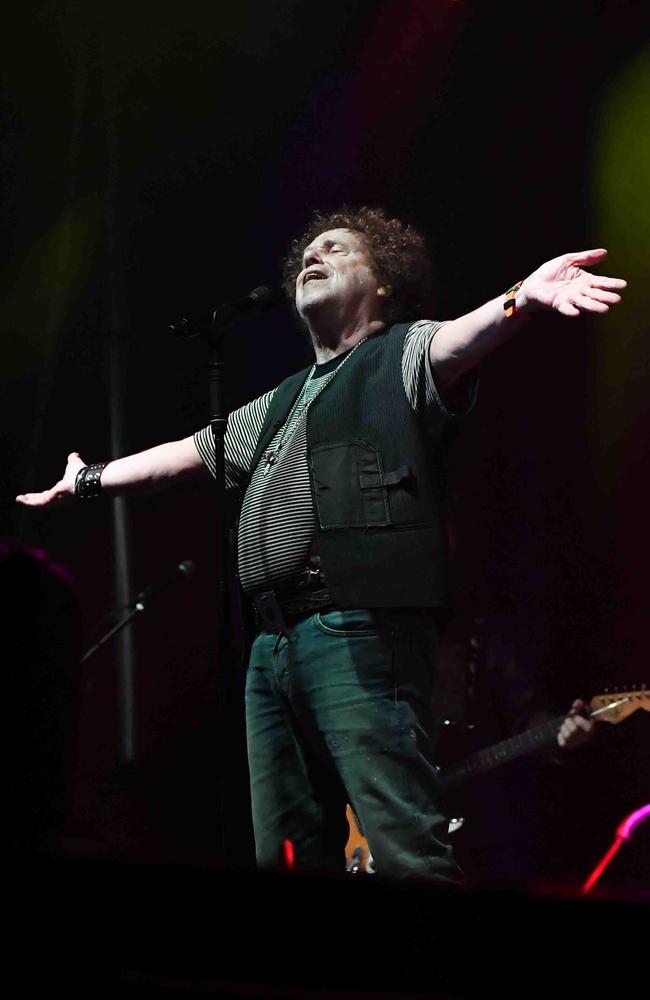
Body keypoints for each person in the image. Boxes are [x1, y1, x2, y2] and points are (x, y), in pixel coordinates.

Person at [16, 207, 622, 882]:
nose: (312, 256)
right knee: (285, 854)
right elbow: (182, 456)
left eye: (335, 249)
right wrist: (89, 480)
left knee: (401, 842)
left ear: (386, 283)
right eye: (306, 251)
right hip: (273, 644)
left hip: (357, 625)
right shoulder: (280, 401)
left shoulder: (403, 353)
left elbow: (462, 337)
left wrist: (523, 298)